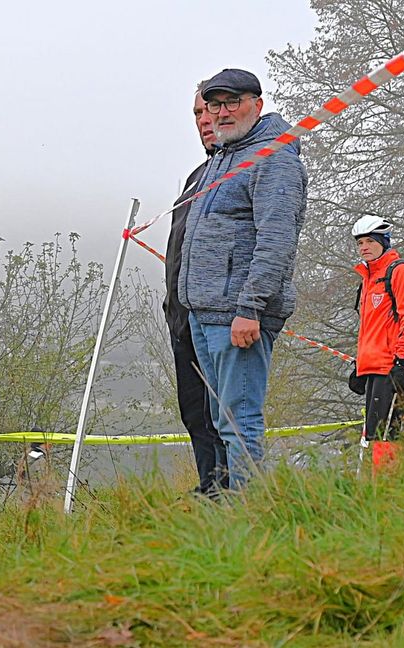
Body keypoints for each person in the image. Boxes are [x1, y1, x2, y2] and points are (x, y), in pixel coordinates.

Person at [177, 68, 308, 490]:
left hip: (238, 316)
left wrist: (250, 307)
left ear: (257, 104)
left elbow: (276, 240)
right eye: (214, 104)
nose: (222, 112)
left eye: (232, 102)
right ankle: (230, 507)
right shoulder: (224, 157)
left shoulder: (274, 158)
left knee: (240, 422)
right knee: (222, 421)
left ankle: (251, 512)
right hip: (205, 313)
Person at [164, 82, 227, 496]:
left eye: (210, 111)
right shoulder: (195, 177)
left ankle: (234, 489)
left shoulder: (244, 167)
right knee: (194, 411)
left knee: (225, 412)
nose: (204, 121)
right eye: (197, 114)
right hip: (182, 315)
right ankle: (210, 487)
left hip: (218, 312)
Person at [350, 216, 404, 450]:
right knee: (375, 440)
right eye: (360, 243)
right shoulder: (369, 278)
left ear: (384, 242)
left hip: (394, 368)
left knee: (388, 440)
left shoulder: (400, 271)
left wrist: (402, 362)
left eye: (370, 241)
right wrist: (360, 365)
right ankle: (379, 475)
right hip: (375, 368)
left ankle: (389, 476)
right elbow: (371, 328)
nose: (364, 247)